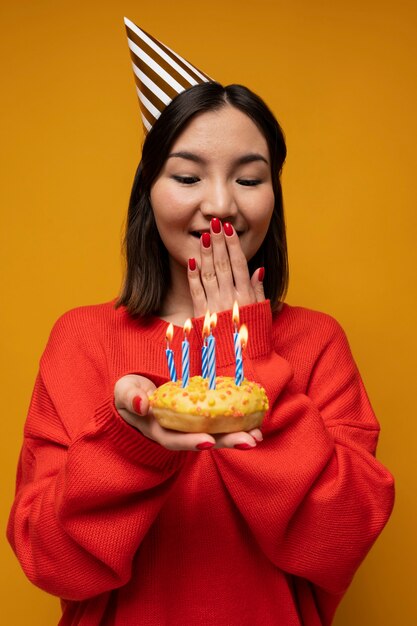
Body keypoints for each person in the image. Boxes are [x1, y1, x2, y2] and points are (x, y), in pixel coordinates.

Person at [7, 19, 394, 626]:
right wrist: (129, 443)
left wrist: (251, 357)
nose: (220, 204)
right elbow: (49, 562)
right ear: (149, 193)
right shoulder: (80, 340)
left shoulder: (317, 343)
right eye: (187, 177)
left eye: (249, 178)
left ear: (274, 195)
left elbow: (340, 541)